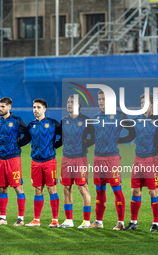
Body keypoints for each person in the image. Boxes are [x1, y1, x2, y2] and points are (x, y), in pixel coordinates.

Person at [89, 90, 135, 230]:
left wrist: (118, 140)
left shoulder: (120, 115)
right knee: (99, 191)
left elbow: (132, 133)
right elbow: (91, 137)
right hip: (98, 158)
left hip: (112, 158)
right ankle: (98, 221)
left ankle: (120, 222)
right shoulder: (95, 117)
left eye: (104, 99)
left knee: (117, 190)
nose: (101, 101)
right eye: (99, 99)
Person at [122, 94, 158, 232]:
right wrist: (118, 140)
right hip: (138, 158)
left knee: (153, 191)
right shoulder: (137, 120)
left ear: (152, 105)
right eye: (141, 102)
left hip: (152, 159)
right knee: (135, 190)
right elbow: (131, 136)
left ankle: (155, 224)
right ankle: (133, 222)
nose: (142, 104)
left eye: (145, 102)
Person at [19, 98, 62, 227]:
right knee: (38, 190)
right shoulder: (31, 125)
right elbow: (26, 139)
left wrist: (54, 146)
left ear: (44, 109)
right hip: (35, 162)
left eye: (38, 107)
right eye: (34, 107)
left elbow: (64, 136)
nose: (36, 110)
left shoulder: (53, 123)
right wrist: (15, 145)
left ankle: (55, 220)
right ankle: (36, 220)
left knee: (51, 189)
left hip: (49, 161)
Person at [0, 97, 27, 226]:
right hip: (1, 158)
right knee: (2, 188)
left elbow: (28, 133)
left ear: (9, 107)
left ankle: (21, 218)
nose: (0, 109)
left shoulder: (17, 120)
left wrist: (20, 144)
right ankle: (2, 218)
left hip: (13, 158)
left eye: (2, 106)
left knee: (18, 187)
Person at [58, 95, 91, 229]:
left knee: (82, 188)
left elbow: (94, 136)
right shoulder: (64, 120)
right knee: (66, 189)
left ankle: (86, 221)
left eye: (72, 102)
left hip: (80, 158)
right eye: (68, 102)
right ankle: (69, 220)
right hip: (66, 158)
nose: (69, 104)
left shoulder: (86, 120)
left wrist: (85, 145)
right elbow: (61, 139)